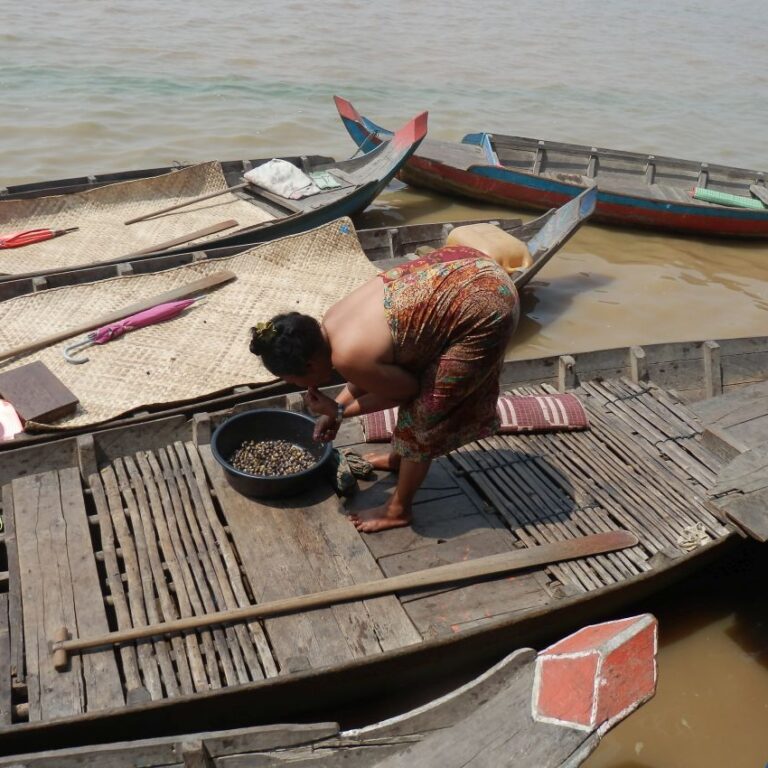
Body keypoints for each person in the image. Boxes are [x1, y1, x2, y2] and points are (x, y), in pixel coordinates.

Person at [249, 245, 520, 532]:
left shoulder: (348, 355)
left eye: (291, 379)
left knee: (425, 414)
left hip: (487, 305)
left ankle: (398, 509)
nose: (294, 385)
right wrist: (335, 411)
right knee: (410, 384)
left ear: (310, 364)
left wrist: (340, 410)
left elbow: (407, 391)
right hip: (468, 265)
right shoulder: (330, 322)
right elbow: (371, 371)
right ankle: (398, 458)